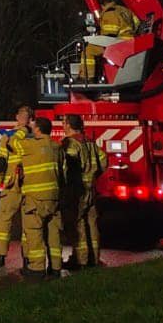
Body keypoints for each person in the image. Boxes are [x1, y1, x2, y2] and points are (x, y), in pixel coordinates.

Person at [18, 117, 68, 279]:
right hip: (53, 199)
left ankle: (37, 270)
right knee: (54, 234)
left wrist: (22, 129)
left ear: (38, 129)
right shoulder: (57, 147)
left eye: (34, 127)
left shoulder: (30, 145)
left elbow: (11, 143)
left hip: (35, 199)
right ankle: (55, 268)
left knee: (34, 233)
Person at [0, 105, 33, 269]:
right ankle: (28, 258)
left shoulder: (7, 136)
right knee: (29, 223)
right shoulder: (35, 137)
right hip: (30, 185)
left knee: (4, 220)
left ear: (17, 118)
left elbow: (1, 162)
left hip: (11, 185)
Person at [61, 114, 107, 270]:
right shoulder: (89, 142)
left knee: (77, 224)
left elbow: (68, 166)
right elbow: (103, 160)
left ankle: (80, 260)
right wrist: (93, 176)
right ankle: (94, 258)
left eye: (64, 123)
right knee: (92, 223)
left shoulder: (71, 143)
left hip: (77, 190)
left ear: (67, 125)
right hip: (91, 189)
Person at [82, 0, 139, 80]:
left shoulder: (109, 13)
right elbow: (137, 24)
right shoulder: (125, 10)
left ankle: (87, 78)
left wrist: (95, 38)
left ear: (102, 5)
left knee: (88, 51)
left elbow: (109, 35)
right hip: (130, 42)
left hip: (118, 43)